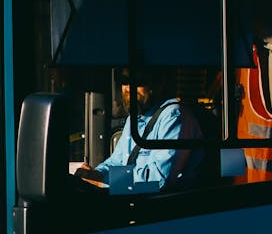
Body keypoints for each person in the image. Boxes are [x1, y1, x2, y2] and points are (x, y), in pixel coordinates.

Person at [74, 68, 204, 191]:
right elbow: (117, 161)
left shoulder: (174, 116)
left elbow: (159, 180)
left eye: (139, 81)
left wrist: (103, 181)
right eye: (124, 80)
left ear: (158, 84)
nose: (129, 88)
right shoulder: (134, 118)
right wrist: (93, 173)